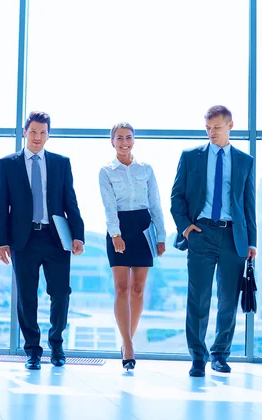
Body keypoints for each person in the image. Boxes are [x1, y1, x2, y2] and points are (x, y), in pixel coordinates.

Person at [170, 105, 257, 377]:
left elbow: (248, 204)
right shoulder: (191, 157)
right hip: (201, 233)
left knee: (228, 299)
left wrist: (251, 242)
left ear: (230, 125)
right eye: (207, 128)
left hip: (233, 236)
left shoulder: (244, 161)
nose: (211, 133)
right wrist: (186, 228)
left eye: (217, 128)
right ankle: (198, 357)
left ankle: (220, 354)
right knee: (198, 298)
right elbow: (177, 197)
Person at [0, 111, 85, 370]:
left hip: (55, 237)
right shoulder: (8, 164)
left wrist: (77, 234)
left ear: (48, 135)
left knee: (60, 293)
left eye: (42, 132)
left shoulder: (60, 163)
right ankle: (32, 351)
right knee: (26, 296)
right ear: (25, 132)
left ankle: (56, 344)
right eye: (33, 131)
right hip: (23, 240)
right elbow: (2, 205)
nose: (37, 137)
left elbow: (71, 201)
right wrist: (1, 241)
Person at [99, 122, 166, 371]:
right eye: (119, 138)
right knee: (121, 288)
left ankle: (128, 341)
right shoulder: (106, 171)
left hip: (143, 227)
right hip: (119, 226)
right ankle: (127, 346)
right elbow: (108, 206)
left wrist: (161, 236)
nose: (124, 142)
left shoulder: (146, 169)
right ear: (112, 141)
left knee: (138, 289)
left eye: (128, 137)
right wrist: (115, 234)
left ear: (134, 140)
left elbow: (155, 203)